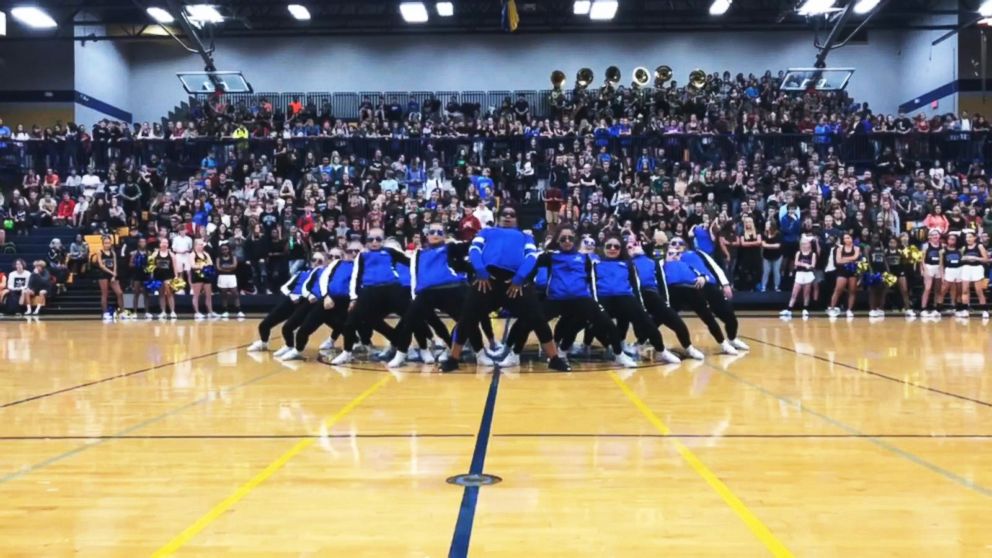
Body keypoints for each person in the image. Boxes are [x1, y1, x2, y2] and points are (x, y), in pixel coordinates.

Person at [441, 206, 570, 372]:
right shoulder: (486, 232)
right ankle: (453, 358)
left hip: (515, 283)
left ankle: (554, 359)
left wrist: (519, 278)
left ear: (517, 218)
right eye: (504, 214)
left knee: (537, 318)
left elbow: (531, 257)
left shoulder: (525, 237)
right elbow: (474, 250)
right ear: (498, 217)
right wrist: (480, 270)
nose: (508, 217)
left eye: (512, 214)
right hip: (486, 280)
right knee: (466, 318)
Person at [504, 226, 648, 368]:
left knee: (607, 324)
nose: (567, 241)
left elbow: (592, 281)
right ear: (558, 241)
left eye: (570, 238)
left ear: (575, 240)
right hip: (556, 299)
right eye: (563, 239)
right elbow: (530, 264)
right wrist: (520, 280)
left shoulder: (585, 258)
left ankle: (619, 355)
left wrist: (596, 301)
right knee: (528, 321)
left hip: (581, 299)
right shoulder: (550, 256)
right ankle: (515, 354)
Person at [387, 226, 494, 368]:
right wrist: (414, 296)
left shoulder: (450, 248)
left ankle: (480, 354)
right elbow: (414, 276)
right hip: (426, 292)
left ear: (444, 236)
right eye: (432, 232)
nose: (435, 234)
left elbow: (469, 246)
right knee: (409, 320)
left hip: (451, 289)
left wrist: (484, 234)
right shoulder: (418, 254)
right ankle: (400, 354)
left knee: (468, 321)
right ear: (427, 236)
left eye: (439, 232)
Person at [330, 228, 412, 365]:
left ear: (383, 241)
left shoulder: (390, 252)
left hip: (392, 289)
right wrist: (353, 298)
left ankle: (404, 352)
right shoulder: (362, 256)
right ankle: (347, 352)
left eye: (378, 239)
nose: (374, 242)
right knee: (351, 321)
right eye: (371, 239)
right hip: (369, 291)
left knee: (411, 315)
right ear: (366, 241)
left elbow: (412, 263)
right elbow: (355, 277)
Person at [628, 241, 704, 360]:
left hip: (652, 294)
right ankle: (639, 345)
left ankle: (689, 348)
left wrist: (666, 301)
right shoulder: (626, 264)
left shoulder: (653, 262)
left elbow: (662, 282)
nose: (633, 247)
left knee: (677, 322)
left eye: (635, 245)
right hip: (634, 296)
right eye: (629, 247)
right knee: (644, 325)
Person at [673, 236, 749, 353]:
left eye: (680, 243)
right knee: (663, 315)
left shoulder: (698, 253)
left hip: (708, 287)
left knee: (730, 317)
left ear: (686, 245)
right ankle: (643, 340)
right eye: (673, 243)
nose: (677, 245)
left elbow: (714, 267)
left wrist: (725, 284)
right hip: (685, 291)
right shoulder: (669, 260)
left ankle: (732, 339)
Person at [246, 264, 315, 352]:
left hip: (305, 303)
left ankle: (290, 346)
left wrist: (302, 297)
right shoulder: (301, 273)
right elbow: (285, 287)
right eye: (314, 260)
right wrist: (292, 295)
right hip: (290, 300)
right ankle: (263, 343)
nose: (316, 262)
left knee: (288, 328)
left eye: (319, 261)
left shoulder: (322, 276)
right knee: (264, 325)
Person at [781, 236, 816, 319]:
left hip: (808, 274)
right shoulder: (798, 253)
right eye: (803, 244)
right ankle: (789, 309)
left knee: (806, 293)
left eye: (806, 244)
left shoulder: (813, 254)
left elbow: (813, 265)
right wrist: (804, 264)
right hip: (799, 274)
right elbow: (796, 263)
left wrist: (808, 266)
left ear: (809, 245)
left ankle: (805, 309)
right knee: (794, 293)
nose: (804, 245)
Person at [827, 233, 861, 318]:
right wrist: (850, 260)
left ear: (852, 238)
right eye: (845, 238)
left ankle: (849, 310)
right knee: (838, 289)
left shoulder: (856, 248)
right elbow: (838, 261)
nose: (847, 240)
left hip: (853, 271)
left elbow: (855, 257)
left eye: (848, 238)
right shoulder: (839, 249)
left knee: (852, 290)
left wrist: (845, 259)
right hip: (842, 271)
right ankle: (832, 308)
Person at [959, 229, 989, 319]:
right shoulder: (964, 247)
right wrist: (964, 258)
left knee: (978, 290)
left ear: (975, 238)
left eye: (970, 237)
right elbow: (960, 259)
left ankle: (985, 311)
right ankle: (965, 310)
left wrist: (975, 258)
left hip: (977, 268)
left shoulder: (979, 246)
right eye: (967, 237)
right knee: (965, 290)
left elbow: (986, 259)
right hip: (966, 268)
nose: (968, 239)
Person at [95, 236, 124, 320]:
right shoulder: (99, 252)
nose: (107, 244)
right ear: (103, 244)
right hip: (103, 274)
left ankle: (122, 312)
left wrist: (114, 274)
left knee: (120, 293)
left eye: (108, 243)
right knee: (105, 294)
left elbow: (115, 264)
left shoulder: (113, 252)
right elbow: (101, 265)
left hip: (112, 275)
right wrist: (112, 273)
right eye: (105, 243)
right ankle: (105, 313)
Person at [190, 239, 219, 319]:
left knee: (208, 295)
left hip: (206, 276)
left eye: (202, 244)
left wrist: (206, 266)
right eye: (200, 244)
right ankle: (197, 312)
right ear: (195, 245)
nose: (201, 246)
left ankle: (210, 312)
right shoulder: (193, 254)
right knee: (196, 295)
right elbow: (192, 265)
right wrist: (202, 266)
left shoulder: (206, 254)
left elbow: (210, 263)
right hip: (197, 276)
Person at [215, 243, 244, 319]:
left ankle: (239, 310)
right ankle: (225, 311)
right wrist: (229, 268)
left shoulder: (233, 256)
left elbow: (234, 266)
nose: (224, 251)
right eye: (223, 249)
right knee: (224, 294)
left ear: (229, 249)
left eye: (226, 249)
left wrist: (224, 267)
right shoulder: (218, 258)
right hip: (222, 277)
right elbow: (218, 268)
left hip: (231, 277)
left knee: (235, 293)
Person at [919, 229, 943, 318]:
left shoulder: (942, 246)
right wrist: (924, 269)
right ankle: (923, 308)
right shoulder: (925, 246)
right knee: (927, 288)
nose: (935, 236)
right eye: (933, 235)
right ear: (930, 236)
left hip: (938, 267)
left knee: (938, 289)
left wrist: (941, 271)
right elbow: (922, 259)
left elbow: (942, 260)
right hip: (929, 266)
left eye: (936, 234)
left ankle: (936, 308)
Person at [152, 238, 179, 319]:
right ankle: (163, 311)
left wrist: (176, 276)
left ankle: (172, 311)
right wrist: (151, 276)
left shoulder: (171, 254)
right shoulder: (155, 254)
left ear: (168, 244)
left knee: (170, 294)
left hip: (169, 277)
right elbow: (151, 265)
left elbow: (175, 266)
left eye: (166, 243)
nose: (164, 244)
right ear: (160, 244)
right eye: (163, 243)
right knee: (161, 295)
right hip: (158, 277)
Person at [937, 231, 962, 316]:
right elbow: (941, 264)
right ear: (947, 240)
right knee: (943, 290)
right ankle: (938, 308)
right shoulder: (942, 251)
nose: (952, 240)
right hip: (949, 270)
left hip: (959, 270)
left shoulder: (960, 250)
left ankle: (957, 308)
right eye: (950, 239)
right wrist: (942, 275)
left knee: (959, 290)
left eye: (954, 239)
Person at [129, 237, 153, 319]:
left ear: (146, 243)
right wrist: (137, 264)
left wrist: (148, 267)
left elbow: (152, 264)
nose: (143, 243)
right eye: (141, 242)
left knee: (146, 295)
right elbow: (130, 264)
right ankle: (134, 312)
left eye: (144, 242)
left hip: (146, 275)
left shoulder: (149, 253)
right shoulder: (135, 253)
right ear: (138, 243)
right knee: (136, 294)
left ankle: (147, 312)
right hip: (137, 275)